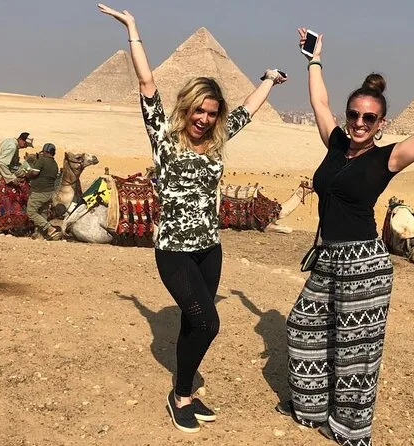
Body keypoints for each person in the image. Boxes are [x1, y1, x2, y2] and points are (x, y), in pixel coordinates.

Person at [281, 29, 414, 445]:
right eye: (354, 115)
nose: (359, 123)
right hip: (328, 257)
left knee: (356, 350)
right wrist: (314, 60)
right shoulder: (335, 143)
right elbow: (319, 103)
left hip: (364, 263)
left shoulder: (387, 158)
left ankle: (349, 429)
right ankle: (310, 408)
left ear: (382, 124)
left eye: (369, 118)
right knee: (303, 326)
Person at [97, 3, 287, 434]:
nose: (204, 119)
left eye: (211, 112)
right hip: (174, 250)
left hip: (209, 248)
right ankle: (179, 395)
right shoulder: (163, 137)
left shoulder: (218, 140)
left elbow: (247, 109)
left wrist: (268, 80)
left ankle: (183, 392)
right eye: (199, 110)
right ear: (186, 107)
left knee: (191, 321)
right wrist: (132, 29)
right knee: (207, 322)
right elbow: (147, 83)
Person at [26, 143, 61, 240]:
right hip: (49, 192)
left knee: (31, 212)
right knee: (43, 213)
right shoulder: (55, 164)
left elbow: (35, 173)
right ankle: (40, 234)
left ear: (45, 152)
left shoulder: (41, 161)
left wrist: (27, 173)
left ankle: (50, 228)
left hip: (39, 191)